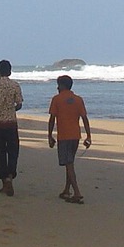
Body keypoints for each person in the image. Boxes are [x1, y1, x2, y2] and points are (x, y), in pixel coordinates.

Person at [47, 74, 92, 203]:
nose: (57, 87)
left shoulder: (57, 99)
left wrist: (49, 136)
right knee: (69, 162)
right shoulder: (78, 99)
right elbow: (84, 118)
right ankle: (67, 190)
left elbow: (52, 119)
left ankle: (77, 192)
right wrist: (89, 135)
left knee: (69, 164)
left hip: (64, 136)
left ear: (62, 86)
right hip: (75, 136)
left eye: (58, 85)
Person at [0, 60, 25, 196]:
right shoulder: (15, 85)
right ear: (10, 71)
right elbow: (19, 104)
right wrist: (12, 108)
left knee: (0, 152)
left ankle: (4, 182)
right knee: (13, 152)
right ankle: (10, 177)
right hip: (11, 123)